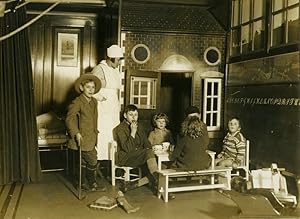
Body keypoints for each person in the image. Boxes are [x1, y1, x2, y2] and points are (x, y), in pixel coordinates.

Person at [65, 73, 106, 192]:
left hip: (91, 135)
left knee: (84, 160)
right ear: (82, 88)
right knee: (92, 159)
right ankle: (91, 182)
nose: (91, 90)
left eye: (93, 87)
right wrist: (76, 133)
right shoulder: (77, 102)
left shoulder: (94, 101)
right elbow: (70, 118)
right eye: (88, 87)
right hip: (81, 136)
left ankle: (82, 183)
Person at [113, 104, 159, 192]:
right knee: (148, 153)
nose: (134, 117)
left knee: (154, 156)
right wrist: (133, 133)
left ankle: (134, 184)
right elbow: (127, 148)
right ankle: (160, 186)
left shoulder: (139, 126)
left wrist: (154, 150)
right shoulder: (120, 129)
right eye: (131, 115)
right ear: (125, 115)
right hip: (125, 157)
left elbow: (146, 142)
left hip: (137, 155)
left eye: (136, 115)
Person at [91, 45, 123, 160]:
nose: (119, 63)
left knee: (114, 133)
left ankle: (113, 160)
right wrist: (100, 98)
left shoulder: (115, 71)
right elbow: (89, 87)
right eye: (118, 60)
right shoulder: (99, 68)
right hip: (103, 107)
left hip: (113, 107)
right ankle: (101, 159)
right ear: (111, 58)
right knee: (104, 133)